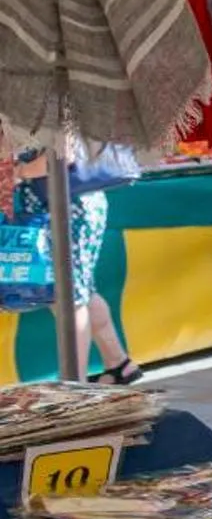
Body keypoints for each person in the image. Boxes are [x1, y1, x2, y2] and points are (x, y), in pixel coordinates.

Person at [7, 149, 137, 385]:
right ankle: (119, 364)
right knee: (79, 290)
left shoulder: (55, 111)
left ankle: (74, 384)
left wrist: (19, 172)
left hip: (66, 204)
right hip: (57, 202)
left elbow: (62, 152)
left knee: (66, 295)